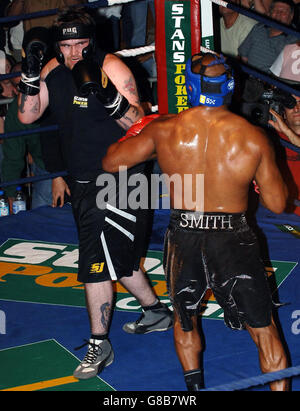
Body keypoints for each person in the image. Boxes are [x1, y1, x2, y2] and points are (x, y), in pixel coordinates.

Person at [102, 52, 290, 391]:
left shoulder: (165, 129)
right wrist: (254, 178)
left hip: (184, 233)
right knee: (264, 329)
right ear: (230, 88)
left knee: (185, 320)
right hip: (233, 237)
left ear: (188, 87)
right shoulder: (253, 137)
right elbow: (277, 204)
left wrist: (141, 127)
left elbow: (112, 162)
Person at [17, 7, 173, 380]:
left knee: (94, 262)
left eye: (80, 44)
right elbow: (27, 115)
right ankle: (156, 312)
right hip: (85, 179)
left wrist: (108, 96)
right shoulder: (52, 69)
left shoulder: (113, 68)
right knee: (113, 253)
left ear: (92, 41)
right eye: (66, 45)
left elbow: (139, 123)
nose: (73, 53)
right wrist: (28, 72)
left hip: (120, 177)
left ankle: (99, 342)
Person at [2, 62, 52, 212]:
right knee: (40, 216)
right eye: (21, 86)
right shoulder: (15, 113)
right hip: (44, 166)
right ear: (16, 90)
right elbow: (13, 157)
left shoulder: (54, 94)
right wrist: (10, 194)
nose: (27, 89)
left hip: (72, 162)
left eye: (30, 83)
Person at [238, 0, 297, 73]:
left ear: (291, 16)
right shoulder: (259, 27)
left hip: (270, 82)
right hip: (248, 76)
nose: (279, 13)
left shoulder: (294, 40)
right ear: (270, 13)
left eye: (284, 12)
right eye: (275, 10)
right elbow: (244, 56)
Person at [269, 93, 300, 215]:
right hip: (278, 210)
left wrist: (287, 131)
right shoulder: (274, 138)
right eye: (290, 104)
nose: (296, 108)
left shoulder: (282, 135)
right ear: (283, 113)